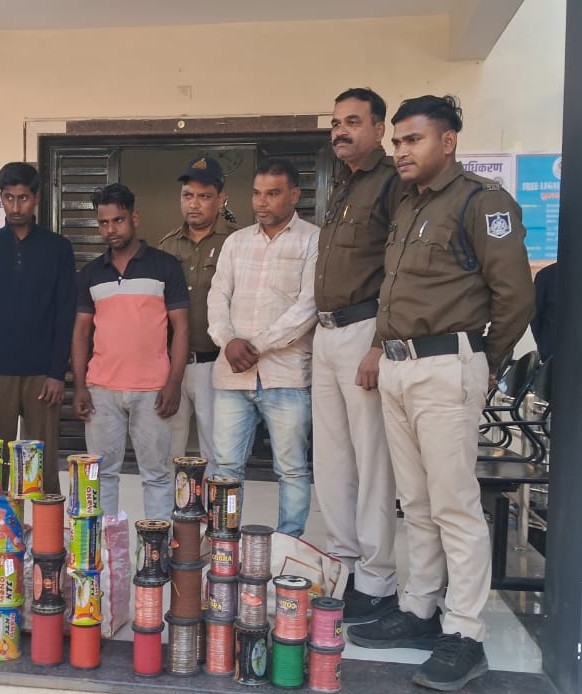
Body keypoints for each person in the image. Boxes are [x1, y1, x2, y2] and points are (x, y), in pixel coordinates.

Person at [347, 96, 534, 692]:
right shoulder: (409, 204)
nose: (401, 151)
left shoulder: (482, 202)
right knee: (418, 501)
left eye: (413, 140)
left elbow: (514, 297)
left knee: (454, 505)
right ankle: (420, 608)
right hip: (400, 367)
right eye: (397, 141)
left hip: (447, 367)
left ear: (447, 142)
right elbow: (395, 292)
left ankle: (465, 633)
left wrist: (482, 364)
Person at [312, 88, 400, 622]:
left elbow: (397, 268)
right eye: (335, 123)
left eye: (352, 121)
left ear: (379, 129)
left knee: (372, 462)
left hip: (365, 330)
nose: (340, 131)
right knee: (332, 460)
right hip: (326, 334)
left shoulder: (390, 183)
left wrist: (379, 343)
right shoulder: (341, 184)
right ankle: (343, 565)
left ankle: (376, 578)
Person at [206, 158, 319, 537]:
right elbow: (217, 296)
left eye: (272, 193)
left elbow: (308, 307)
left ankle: (289, 543)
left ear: (294, 195)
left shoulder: (313, 240)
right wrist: (227, 341)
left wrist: (254, 345)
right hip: (232, 375)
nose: (261, 202)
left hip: (286, 376)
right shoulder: (236, 242)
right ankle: (225, 541)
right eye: (257, 193)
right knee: (225, 468)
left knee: (291, 469)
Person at [71, 183, 189, 520]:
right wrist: (79, 386)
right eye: (103, 223)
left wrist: (173, 383)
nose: (110, 229)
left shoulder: (165, 266)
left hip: (153, 389)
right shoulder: (91, 274)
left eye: (118, 220)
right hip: (101, 389)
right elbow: (80, 332)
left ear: (134, 219)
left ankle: (156, 547)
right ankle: (104, 546)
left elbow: (181, 328)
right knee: (101, 475)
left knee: (157, 475)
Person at [0, 162, 75, 495]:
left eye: (23, 198)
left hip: (43, 374)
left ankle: (45, 527)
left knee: (43, 466)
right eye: (8, 198)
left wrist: (57, 373)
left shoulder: (58, 248)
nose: (15, 207)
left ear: (36, 198)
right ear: (0, 198)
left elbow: (65, 313)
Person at [158, 156, 237, 473]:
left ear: (221, 198)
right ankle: (173, 505)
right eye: (187, 195)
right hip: (171, 365)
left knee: (217, 452)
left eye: (204, 196)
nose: (194, 204)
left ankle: (214, 507)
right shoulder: (166, 246)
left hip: (216, 363)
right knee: (169, 450)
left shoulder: (235, 242)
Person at [530, 261, 557, 360]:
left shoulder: (545, 274)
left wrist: (543, 344)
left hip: (550, 351)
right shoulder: (545, 275)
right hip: (550, 351)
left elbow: (535, 316)